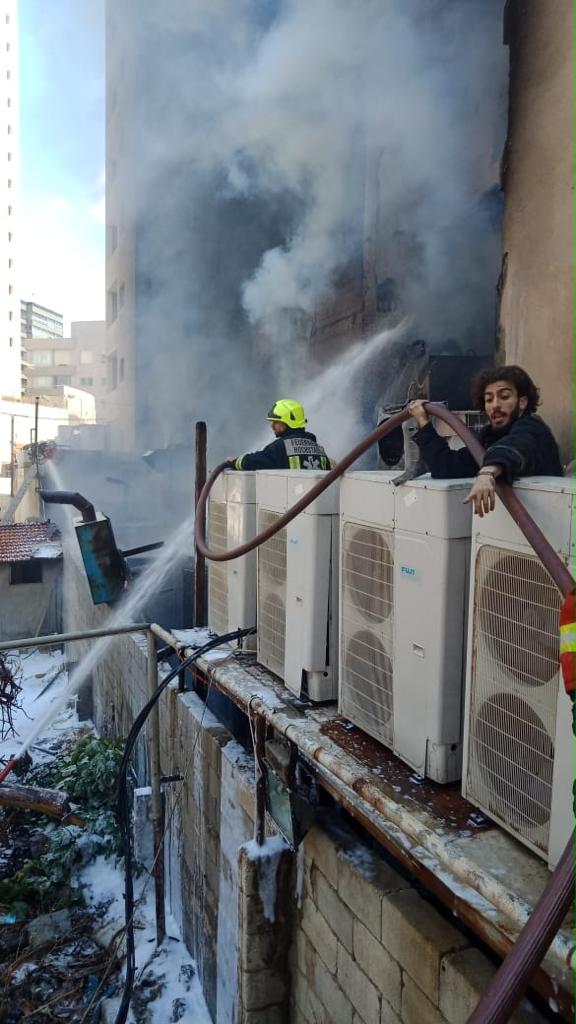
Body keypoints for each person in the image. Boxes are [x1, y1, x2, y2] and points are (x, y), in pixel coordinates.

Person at [407, 365, 563, 517]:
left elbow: (516, 446)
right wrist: (423, 422)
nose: (495, 405)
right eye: (489, 399)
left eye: (504, 397)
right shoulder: (489, 437)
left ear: (522, 402)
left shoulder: (533, 429)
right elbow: (446, 467)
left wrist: (487, 473)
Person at [227, 399, 330, 471]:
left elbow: (256, 461)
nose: (272, 426)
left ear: (288, 422)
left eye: (276, 422)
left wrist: (235, 462)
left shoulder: (280, 447)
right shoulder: (319, 449)